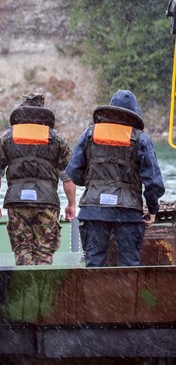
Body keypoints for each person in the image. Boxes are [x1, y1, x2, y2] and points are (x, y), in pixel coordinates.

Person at [65, 90, 165, 267]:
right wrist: (152, 209)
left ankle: (95, 295)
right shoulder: (140, 139)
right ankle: (126, 294)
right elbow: (153, 181)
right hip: (127, 212)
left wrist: (94, 184)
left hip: (93, 210)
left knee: (94, 263)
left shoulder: (89, 134)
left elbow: (73, 171)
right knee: (129, 265)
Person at [0, 93, 77, 266]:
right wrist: (71, 204)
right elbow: (68, 177)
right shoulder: (56, 138)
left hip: (16, 201)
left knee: (22, 250)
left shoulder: (7, 137)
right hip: (47, 202)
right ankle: (42, 291)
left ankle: (25, 290)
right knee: (44, 253)